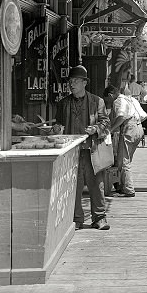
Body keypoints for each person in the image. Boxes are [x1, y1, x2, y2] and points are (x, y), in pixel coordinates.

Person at [53, 65, 111, 230]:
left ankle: (99, 218)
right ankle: (76, 219)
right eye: (70, 81)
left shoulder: (97, 101)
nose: (72, 84)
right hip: (72, 152)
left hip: (92, 150)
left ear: (84, 83)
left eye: (76, 81)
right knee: (73, 186)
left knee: (96, 185)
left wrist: (96, 129)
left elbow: (105, 122)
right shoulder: (63, 103)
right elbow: (59, 125)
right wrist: (56, 129)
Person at [103, 84, 145, 198]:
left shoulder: (118, 101)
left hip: (129, 129)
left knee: (124, 161)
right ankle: (122, 185)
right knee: (126, 159)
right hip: (139, 128)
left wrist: (110, 130)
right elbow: (143, 115)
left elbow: (121, 117)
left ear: (111, 95)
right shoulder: (131, 99)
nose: (108, 103)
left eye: (107, 100)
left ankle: (128, 189)